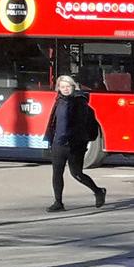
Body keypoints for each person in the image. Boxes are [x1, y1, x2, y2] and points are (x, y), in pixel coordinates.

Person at [44, 75, 105, 211]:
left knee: (76, 173)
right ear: (58, 88)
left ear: (73, 87)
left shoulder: (80, 103)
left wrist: (77, 140)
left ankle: (98, 191)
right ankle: (58, 203)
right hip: (59, 144)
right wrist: (51, 139)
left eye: (68, 86)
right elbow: (54, 123)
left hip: (75, 145)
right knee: (57, 173)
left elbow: (81, 126)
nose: (65, 89)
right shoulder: (59, 101)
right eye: (62, 86)